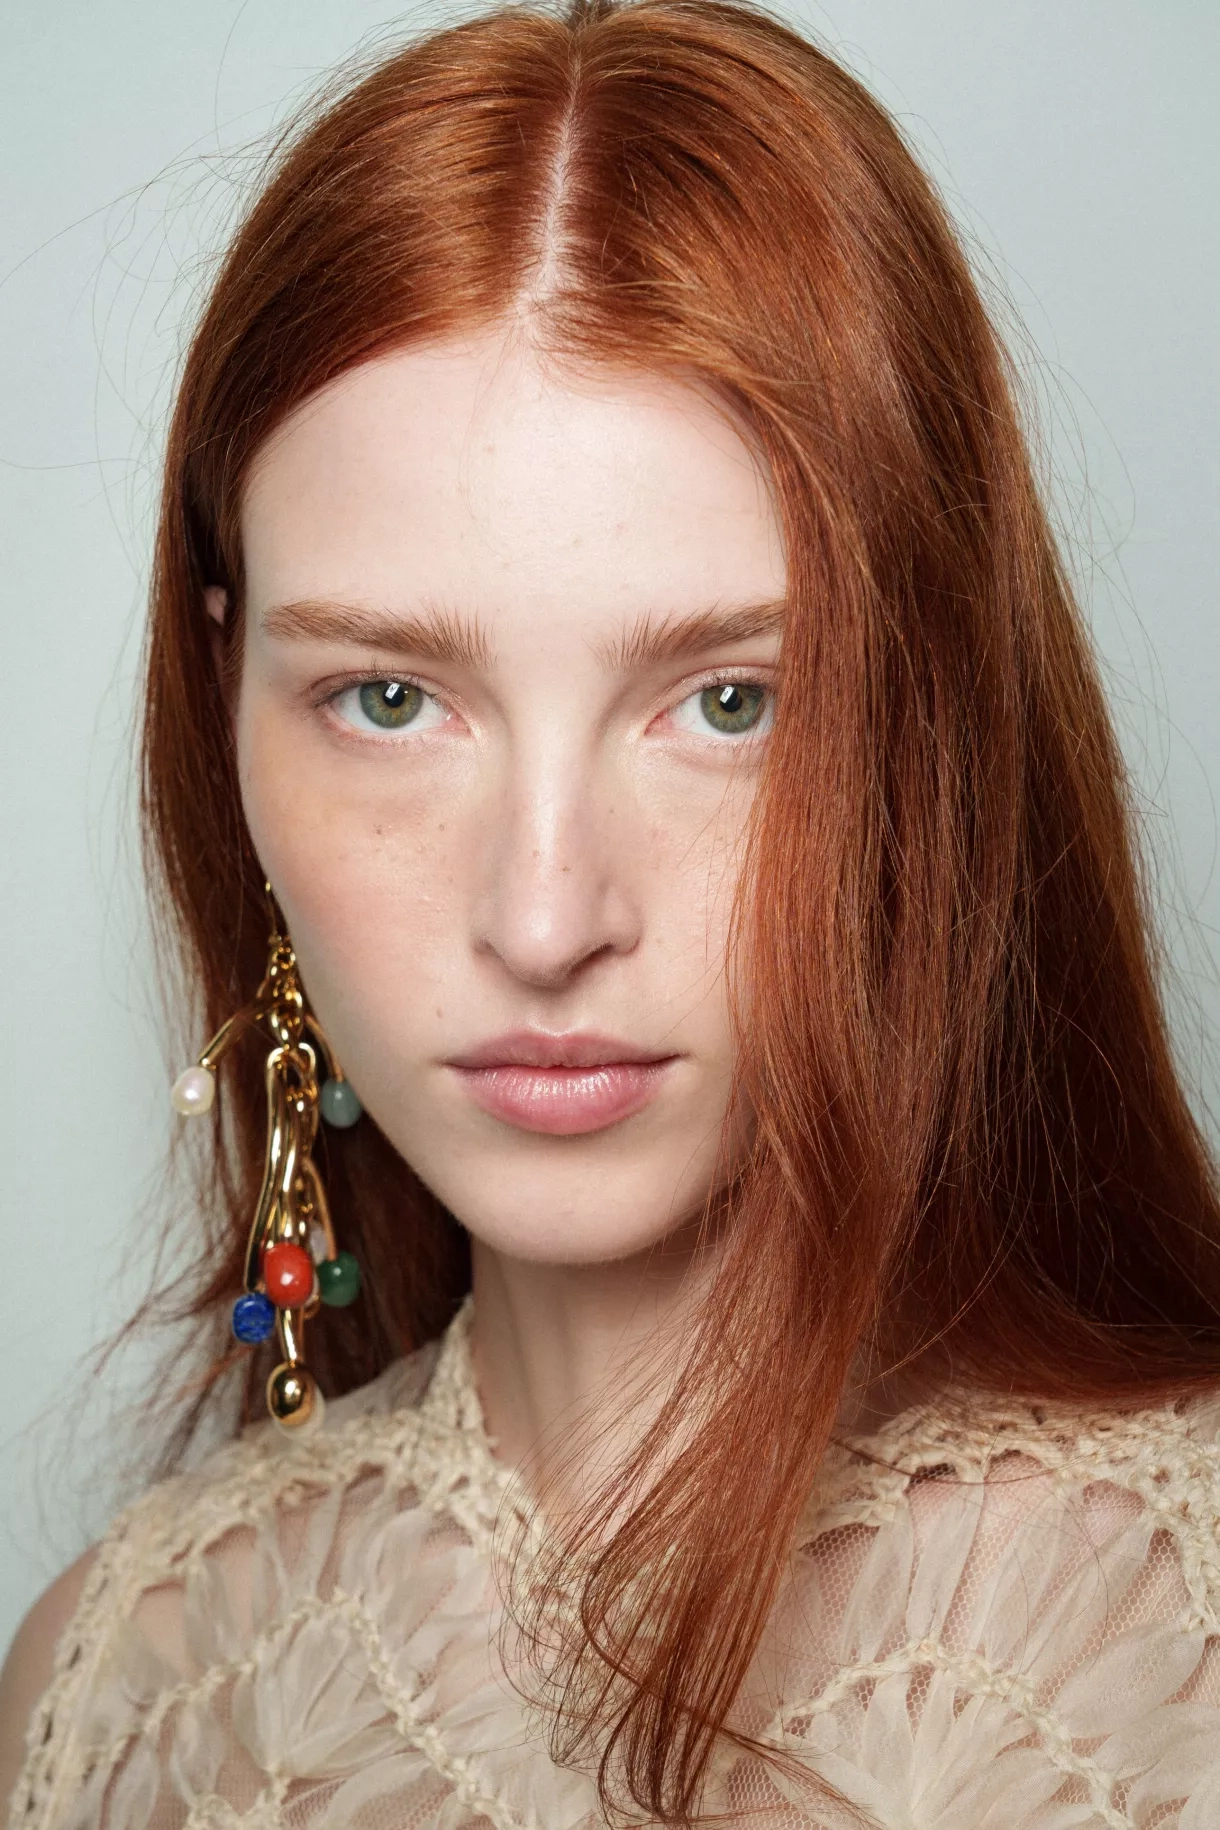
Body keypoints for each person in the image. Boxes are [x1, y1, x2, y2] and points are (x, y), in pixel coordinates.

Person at [5, 0, 1220, 1823]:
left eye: (730, 702)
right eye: (389, 699)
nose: (545, 912)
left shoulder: (1177, 1636)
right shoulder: (112, 1688)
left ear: (939, 733)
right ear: (224, 700)